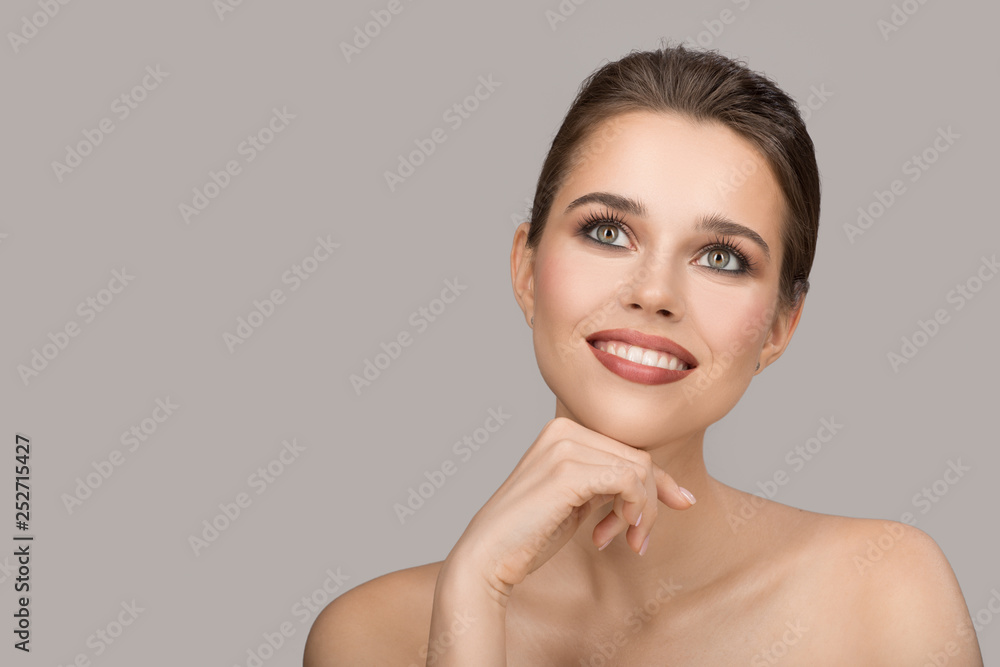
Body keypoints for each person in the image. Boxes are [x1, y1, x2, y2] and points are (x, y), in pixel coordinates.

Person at [303, 43, 983, 665]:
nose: (655, 292)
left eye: (722, 257)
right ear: (525, 268)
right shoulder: (373, 635)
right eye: (607, 232)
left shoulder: (883, 595)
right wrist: (474, 597)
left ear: (781, 323)